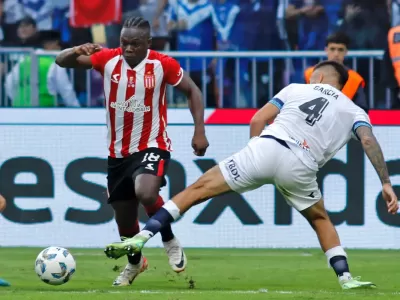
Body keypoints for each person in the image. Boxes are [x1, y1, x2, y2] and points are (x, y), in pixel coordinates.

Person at [104, 60, 399, 290]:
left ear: (318, 77)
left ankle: (142, 237)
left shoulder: (296, 88)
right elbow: (369, 142)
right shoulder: (355, 110)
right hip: (302, 167)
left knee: (197, 190)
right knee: (320, 219)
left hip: (267, 148)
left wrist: (253, 157)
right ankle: (345, 277)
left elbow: (258, 118)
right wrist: (386, 183)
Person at [55, 16, 209, 286]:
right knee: (125, 222)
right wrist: (75, 51)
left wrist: (199, 130)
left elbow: (192, 90)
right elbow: (61, 61)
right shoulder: (107, 59)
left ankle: (169, 239)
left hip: (152, 144)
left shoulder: (163, 64)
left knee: (146, 192)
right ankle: (135, 264)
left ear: (148, 43)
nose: (128, 48)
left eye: (135, 44)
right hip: (117, 154)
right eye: (124, 42)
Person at [304, 32, 368, 112]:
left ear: (346, 52)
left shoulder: (355, 79)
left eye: (340, 50)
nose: (336, 54)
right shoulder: (309, 74)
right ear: (326, 50)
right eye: (332, 49)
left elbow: (362, 111)